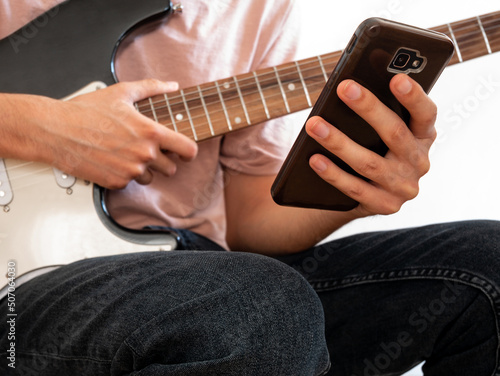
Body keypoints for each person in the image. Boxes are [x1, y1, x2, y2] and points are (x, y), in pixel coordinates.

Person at [1, 0, 499, 375]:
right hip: (20, 292)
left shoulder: (254, 7)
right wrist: (44, 126)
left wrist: (353, 192)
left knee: (489, 264)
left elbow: (249, 226)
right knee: (257, 305)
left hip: (198, 271)